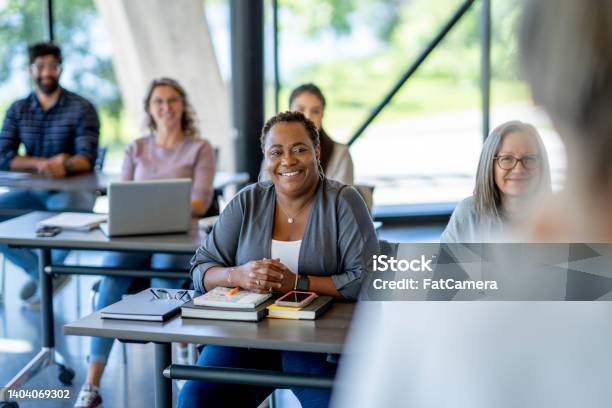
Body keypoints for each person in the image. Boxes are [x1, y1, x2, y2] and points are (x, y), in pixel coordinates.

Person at [178, 111, 378, 408]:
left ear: (317, 152)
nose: (288, 160)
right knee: (195, 398)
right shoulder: (248, 201)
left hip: (315, 341)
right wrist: (239, 275)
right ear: (266, 157)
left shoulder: (344, 201)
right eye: (277, 152)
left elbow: (366, 279)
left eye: (299, 149)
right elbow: (200, 269)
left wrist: (296, 282)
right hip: (248, 338)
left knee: (330, 402)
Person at [74, 78, 215, 408]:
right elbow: (123, 199)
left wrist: (157, 206)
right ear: (150, 109)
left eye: (172, 100)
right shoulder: (136, 147)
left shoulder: (199, 148)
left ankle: (176, 370)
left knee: (164, 271)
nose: (166, 107)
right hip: (135, 237)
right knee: (111, 275)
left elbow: (202, 202)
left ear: (183, 105)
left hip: (180, 238)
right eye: (158, 102)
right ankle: (92, 383)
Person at [0, 42, 100, 308]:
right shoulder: (18, 109)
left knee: (74, 210)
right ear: (30, 70)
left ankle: (46, 274)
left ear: (61, 69)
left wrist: (65, 165)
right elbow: (3, 156)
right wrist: (41, 163)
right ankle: (46, 274)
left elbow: (86, 157)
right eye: (40, 66)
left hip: (72, 192)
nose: (47, 72)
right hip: (31, 192)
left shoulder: (81, 107)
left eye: (52, 66)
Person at [440, 120, 552, 243]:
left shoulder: (563, 217)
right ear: (489, 165)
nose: (519, 169)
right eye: (507, 159)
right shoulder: (468, 213)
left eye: (529, 158)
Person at [262, 83, 354, 185]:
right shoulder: (273, 150)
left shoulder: (339, 153)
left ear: (322, 115)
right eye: (301, 110)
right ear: (289, 112)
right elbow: (265, 193)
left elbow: (342, 198)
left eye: (315, 111)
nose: (307, 117)